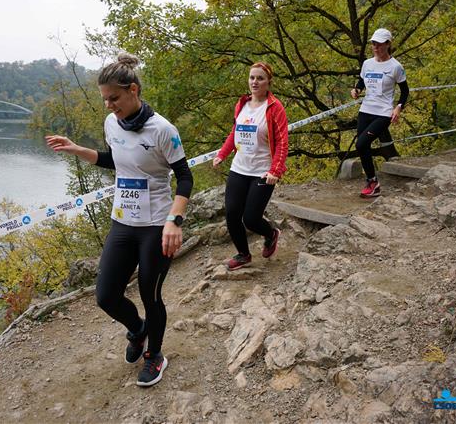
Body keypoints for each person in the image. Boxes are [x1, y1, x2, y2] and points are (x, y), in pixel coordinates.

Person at [45, 53, 193, 387]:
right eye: (105, 99)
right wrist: (76, 149)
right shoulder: (112, 123)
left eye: (114, 98)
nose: (109, 106)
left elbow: (185, 177)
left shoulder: (163, 130)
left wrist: (175, 220)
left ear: (133, 91)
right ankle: (138, 330)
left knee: (150, 295)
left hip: (156, 225)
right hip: (123, 222)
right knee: (106, 296)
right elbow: (115, 160)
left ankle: (155, 356)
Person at [212, 62, 289, 270]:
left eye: (260, 78)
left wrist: (275, 170)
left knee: (251, 219)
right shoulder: (242, 104)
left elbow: (282, 142)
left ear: (269, 82)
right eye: (252, 77)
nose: (255, 82)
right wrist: (222, 154)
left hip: (263, 171)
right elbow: (235, 132)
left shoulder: (274, 108)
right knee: (232, 214)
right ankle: (243, 255)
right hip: (239, 168)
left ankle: (271, 234)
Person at [351, 28, 409, 198]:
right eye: (373, 43)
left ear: (388, 44)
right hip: (365, 110)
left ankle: (373, 182)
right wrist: (357, 90)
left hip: (383, 113)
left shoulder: (396, 67)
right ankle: (372, 182)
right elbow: (362, 81)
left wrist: (398, 107)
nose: (376, 47)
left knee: (361, 144)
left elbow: (405, 91)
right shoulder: (367, 63)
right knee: (363, 147)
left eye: (380, 44)